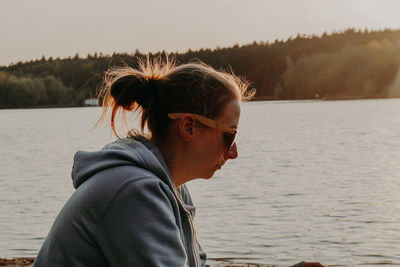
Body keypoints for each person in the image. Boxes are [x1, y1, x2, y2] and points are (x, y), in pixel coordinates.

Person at [34, 57, 325, 267]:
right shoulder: (135, 192)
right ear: (188, 127)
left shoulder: (167, 187)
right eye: (229, 135)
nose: (234, 152)